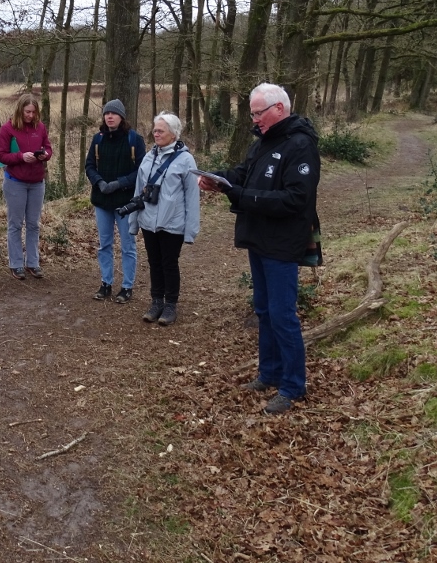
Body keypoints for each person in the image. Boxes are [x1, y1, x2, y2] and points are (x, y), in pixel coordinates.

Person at [198, 83, 321, 415]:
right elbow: (243, 174)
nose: (253, 119)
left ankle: (293, 386)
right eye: (251, 113)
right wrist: (218, 180)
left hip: (282, 242)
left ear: (278, 109)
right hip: (259, 238)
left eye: (258, 113)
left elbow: (295, 199)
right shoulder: (264, 141)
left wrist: (241, 195)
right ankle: (269, 373)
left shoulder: (301, 145)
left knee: (282, 314)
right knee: (264, 310)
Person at [128, 112, 200, 326]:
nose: (155, 134)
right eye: (155, 130)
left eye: (160, 131)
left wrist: (190, 230)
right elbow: (138, 191)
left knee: (169, 263)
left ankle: (170, 305)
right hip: (148, 220)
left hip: (173, 223)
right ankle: (156, 301)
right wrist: (133, 222)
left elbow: (192, 197)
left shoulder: (186, 160)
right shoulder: (148, 157)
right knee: (154, 262)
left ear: (173, 134)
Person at [85, 99, 146, 302]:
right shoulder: (98, 139)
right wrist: (99, 182)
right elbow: (89, 166)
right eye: (106, 113)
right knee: (105, 244)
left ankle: (127, 287)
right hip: (102, 200)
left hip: (125, 202)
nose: (109, 116)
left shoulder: (134, 140)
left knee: (128, 245)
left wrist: (119, 183)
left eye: (114, 113)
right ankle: (106, 283)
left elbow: (141, 171)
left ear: (122, 117)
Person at [0, 92, 52, 279]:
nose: (30, 115)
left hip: (37, 182)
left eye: (33, 112)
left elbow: (48, 147)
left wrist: (45, 155)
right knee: (15, 224)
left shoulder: (40, 127)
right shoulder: (7, 129)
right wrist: (21, 156)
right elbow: (2, 155)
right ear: (20, 110)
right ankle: (16, 263)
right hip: (15, 182)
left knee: (33, 224)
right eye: (27, 112)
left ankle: (33, 262)